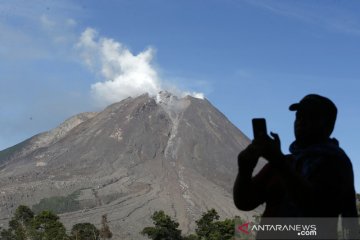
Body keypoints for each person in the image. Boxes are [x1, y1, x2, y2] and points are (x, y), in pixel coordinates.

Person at [233, 94, 359, 239]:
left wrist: (279, 162)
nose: (301, 121)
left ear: (329, 124)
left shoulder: (335, 164)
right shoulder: (284, 162)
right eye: (299, 116)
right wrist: (245, 168)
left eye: (311, 117)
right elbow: (244, 202)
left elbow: (317, 212)